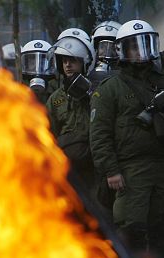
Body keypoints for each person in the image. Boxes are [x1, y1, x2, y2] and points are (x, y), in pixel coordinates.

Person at [90, 19, 164, 258]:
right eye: (132, 47)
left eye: (146, 44)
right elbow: (100, 133)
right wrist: (111, 170)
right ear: (121, 50)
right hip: (131, 170)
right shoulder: (111, 88)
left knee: (161, 230)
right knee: (131, 228)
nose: (140, 52)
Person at [46, 35, 96, 194]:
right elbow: (49, 135)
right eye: (64, 60)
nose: (67, 65)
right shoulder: (55, 99)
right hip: (68, 170)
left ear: (84, 62)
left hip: (95, 167)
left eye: (72, 60)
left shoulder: (98, 91)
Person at [20, 40, 56, 104]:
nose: (37, 67)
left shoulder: (55, 89)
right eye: (32, 62)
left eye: (42, 62)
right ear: (25, 64)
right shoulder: (18, 89)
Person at [90, 21, 121, 87]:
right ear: (95, 49)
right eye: (102, 46)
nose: (107, 50)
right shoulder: (88, 71)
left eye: (112, 47)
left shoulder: (125, 76)